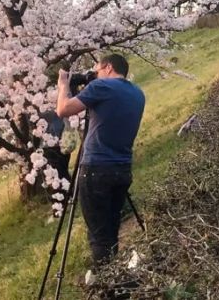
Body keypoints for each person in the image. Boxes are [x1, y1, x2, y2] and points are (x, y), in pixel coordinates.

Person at [55, 54, 146, 280]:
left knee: (98, 236)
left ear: (107, 67)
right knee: (111, 228)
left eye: (96, 70)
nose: (94, 74)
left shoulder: (102, 86)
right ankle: (115, 277)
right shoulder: (137, 93)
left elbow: (63, 109)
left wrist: (63, 85)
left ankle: (107, 285)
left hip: (96, 168)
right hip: (122, 169)